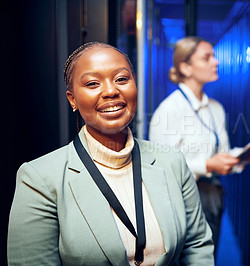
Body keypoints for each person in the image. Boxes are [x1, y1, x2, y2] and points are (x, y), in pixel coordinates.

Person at [7, 42, 214, 265]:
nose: (111, 91)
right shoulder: (39, 178)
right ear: (72, 99)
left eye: (122, 79)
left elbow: (197, 246)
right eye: (93, 83)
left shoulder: (172, 161)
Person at [149, 36, 250, 255]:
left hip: (213, 196)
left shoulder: (216, 108)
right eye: (207, 57)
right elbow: (161, 170)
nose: (216, 62)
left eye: (214, 56)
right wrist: (207, 165)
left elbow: (221, 153)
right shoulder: (170, 110)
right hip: (182, 202)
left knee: (207, 258)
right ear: (186, 67)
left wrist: (243, 156)